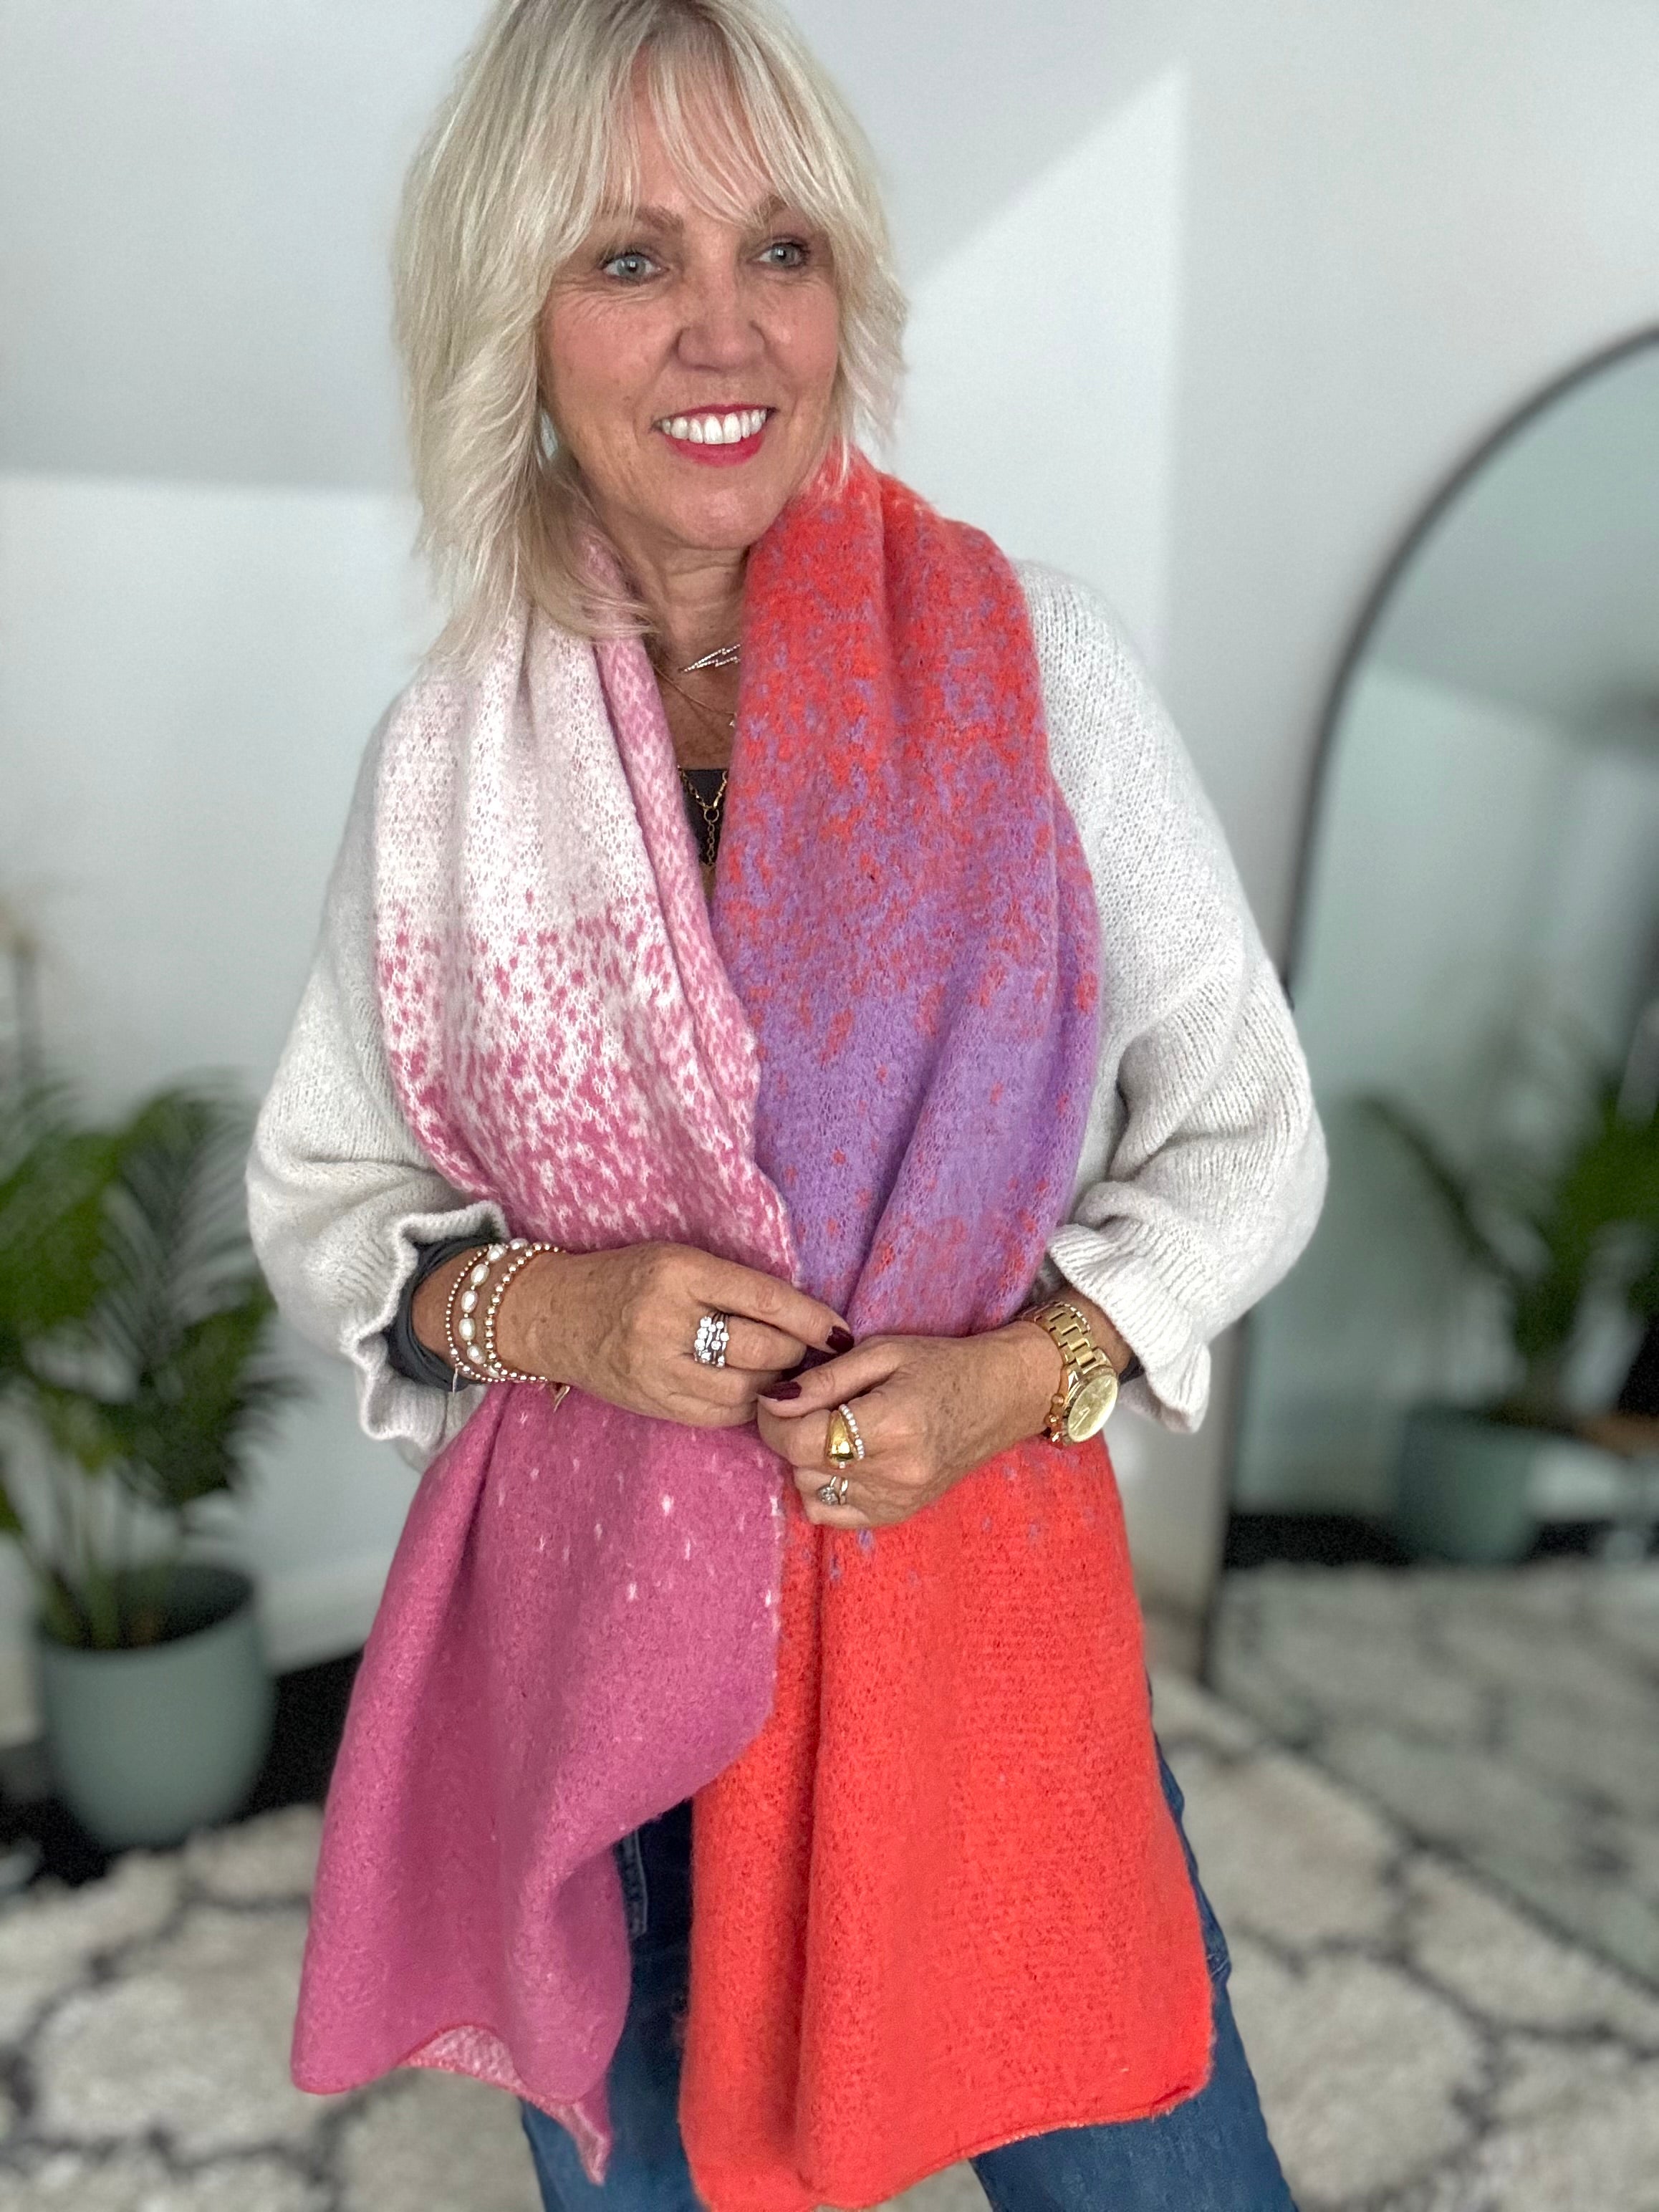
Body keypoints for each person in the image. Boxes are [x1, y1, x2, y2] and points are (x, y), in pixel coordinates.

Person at [247, 1, 1326, 2206]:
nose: (726, 329)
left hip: (974, 1636)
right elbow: (324, 1187)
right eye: (631, 257)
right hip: (598, 1684)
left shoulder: (1031, 663)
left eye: (783, 248)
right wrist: (556, 1314)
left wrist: (1027, 1371)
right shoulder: (451, 755)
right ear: (515, 315)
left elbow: (1248, 1133)